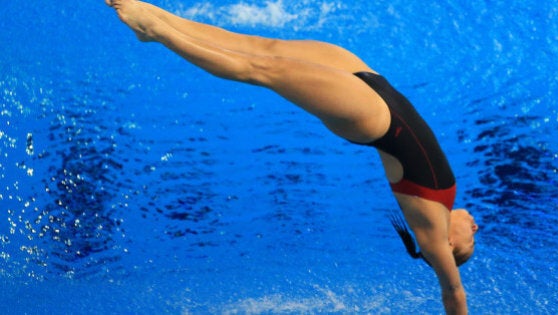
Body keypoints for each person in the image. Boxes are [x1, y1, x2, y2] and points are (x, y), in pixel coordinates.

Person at [105, 1, 479, 313]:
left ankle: (159, 33)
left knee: (261, 70)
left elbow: (453, 293)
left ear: (447, 249)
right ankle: (161, 18)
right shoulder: (445, 204)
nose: (476, 229)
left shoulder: (431, 232)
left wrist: (453, 289)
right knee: (263, 47)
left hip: (373, 117)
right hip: (372, 80)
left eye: (470, 243)